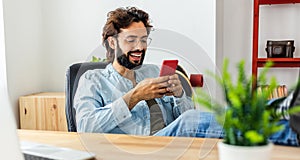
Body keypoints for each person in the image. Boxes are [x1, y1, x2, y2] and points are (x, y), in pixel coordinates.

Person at [74, 6, 300, 146]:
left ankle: (288, 107)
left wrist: (180, 95)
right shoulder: (92, 80)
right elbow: (85, 127)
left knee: (227, 113)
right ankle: (292, 134)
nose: (140, 47)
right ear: (112, 42)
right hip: (140, 146)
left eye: (143, 40)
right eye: (131, 40)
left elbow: (188, 117)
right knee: (191, 122)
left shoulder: (152, 72)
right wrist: (134, 97)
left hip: (174, 138)